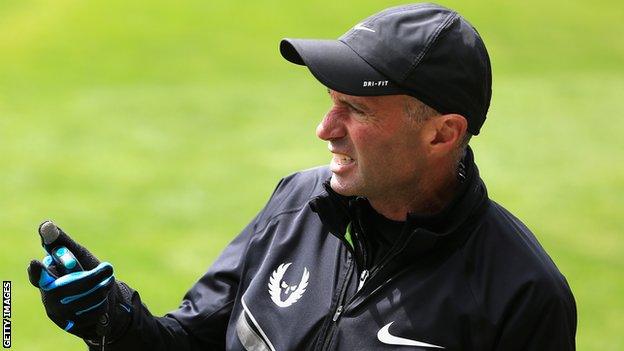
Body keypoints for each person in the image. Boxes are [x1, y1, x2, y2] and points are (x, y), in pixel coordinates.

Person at [28, 3, 577, 350]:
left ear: (441, 133)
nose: (325, 128)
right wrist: (114, 322)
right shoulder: (296, 202)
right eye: (329, 102)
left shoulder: (522, 295)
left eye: (356, 111)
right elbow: (188, 341)